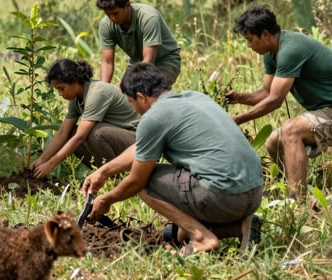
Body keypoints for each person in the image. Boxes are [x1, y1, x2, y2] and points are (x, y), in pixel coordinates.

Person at [83, 63, 263, 254]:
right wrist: (104, 172)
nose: (134, 109)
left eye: (131, 102)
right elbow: (141, 147)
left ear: (141, 97)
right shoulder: (195, 97)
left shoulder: (153, 117)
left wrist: (107, 200)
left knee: (145, 183)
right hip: (254, 192)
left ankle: (202, 239)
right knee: (179, 235)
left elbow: (136, 181)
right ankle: (242, 226)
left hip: (223, 196)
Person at [228, 5, 332, 199]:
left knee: (290, 130)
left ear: (265, 34)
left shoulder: (290, 50)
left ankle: (296, 200)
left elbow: (275, 101)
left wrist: (238, 119)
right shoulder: (271, 52)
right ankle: (288, 191)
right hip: (324, 110)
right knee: (273, 143)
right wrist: (239, 98)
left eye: (251, 40)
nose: (249, 46)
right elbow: (268, 92)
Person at [32, 59, 138, 178]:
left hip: (138, 140)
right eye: (57, 89)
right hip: (119, 138)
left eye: (62, 88)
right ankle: (107, 175)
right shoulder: (76, 98)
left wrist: (50, 165)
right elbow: (63, 133)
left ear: (75, 82)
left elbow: (80, 137)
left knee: (96, 132)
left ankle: (114, 176)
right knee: (72, 133)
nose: (60, 94)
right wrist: (42, 160)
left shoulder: (96, 93)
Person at [95, 0, 181, 87]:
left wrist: (125, 84)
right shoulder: (106, 24)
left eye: (115, 13)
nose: (112, 18)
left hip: (165, 62)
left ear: (127, 5)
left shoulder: (148, 18)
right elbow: (107, 62)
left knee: (146, 92)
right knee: (121, 97)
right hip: (137, 64)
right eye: (108, 14)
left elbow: (148, 62)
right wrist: (103, 90)